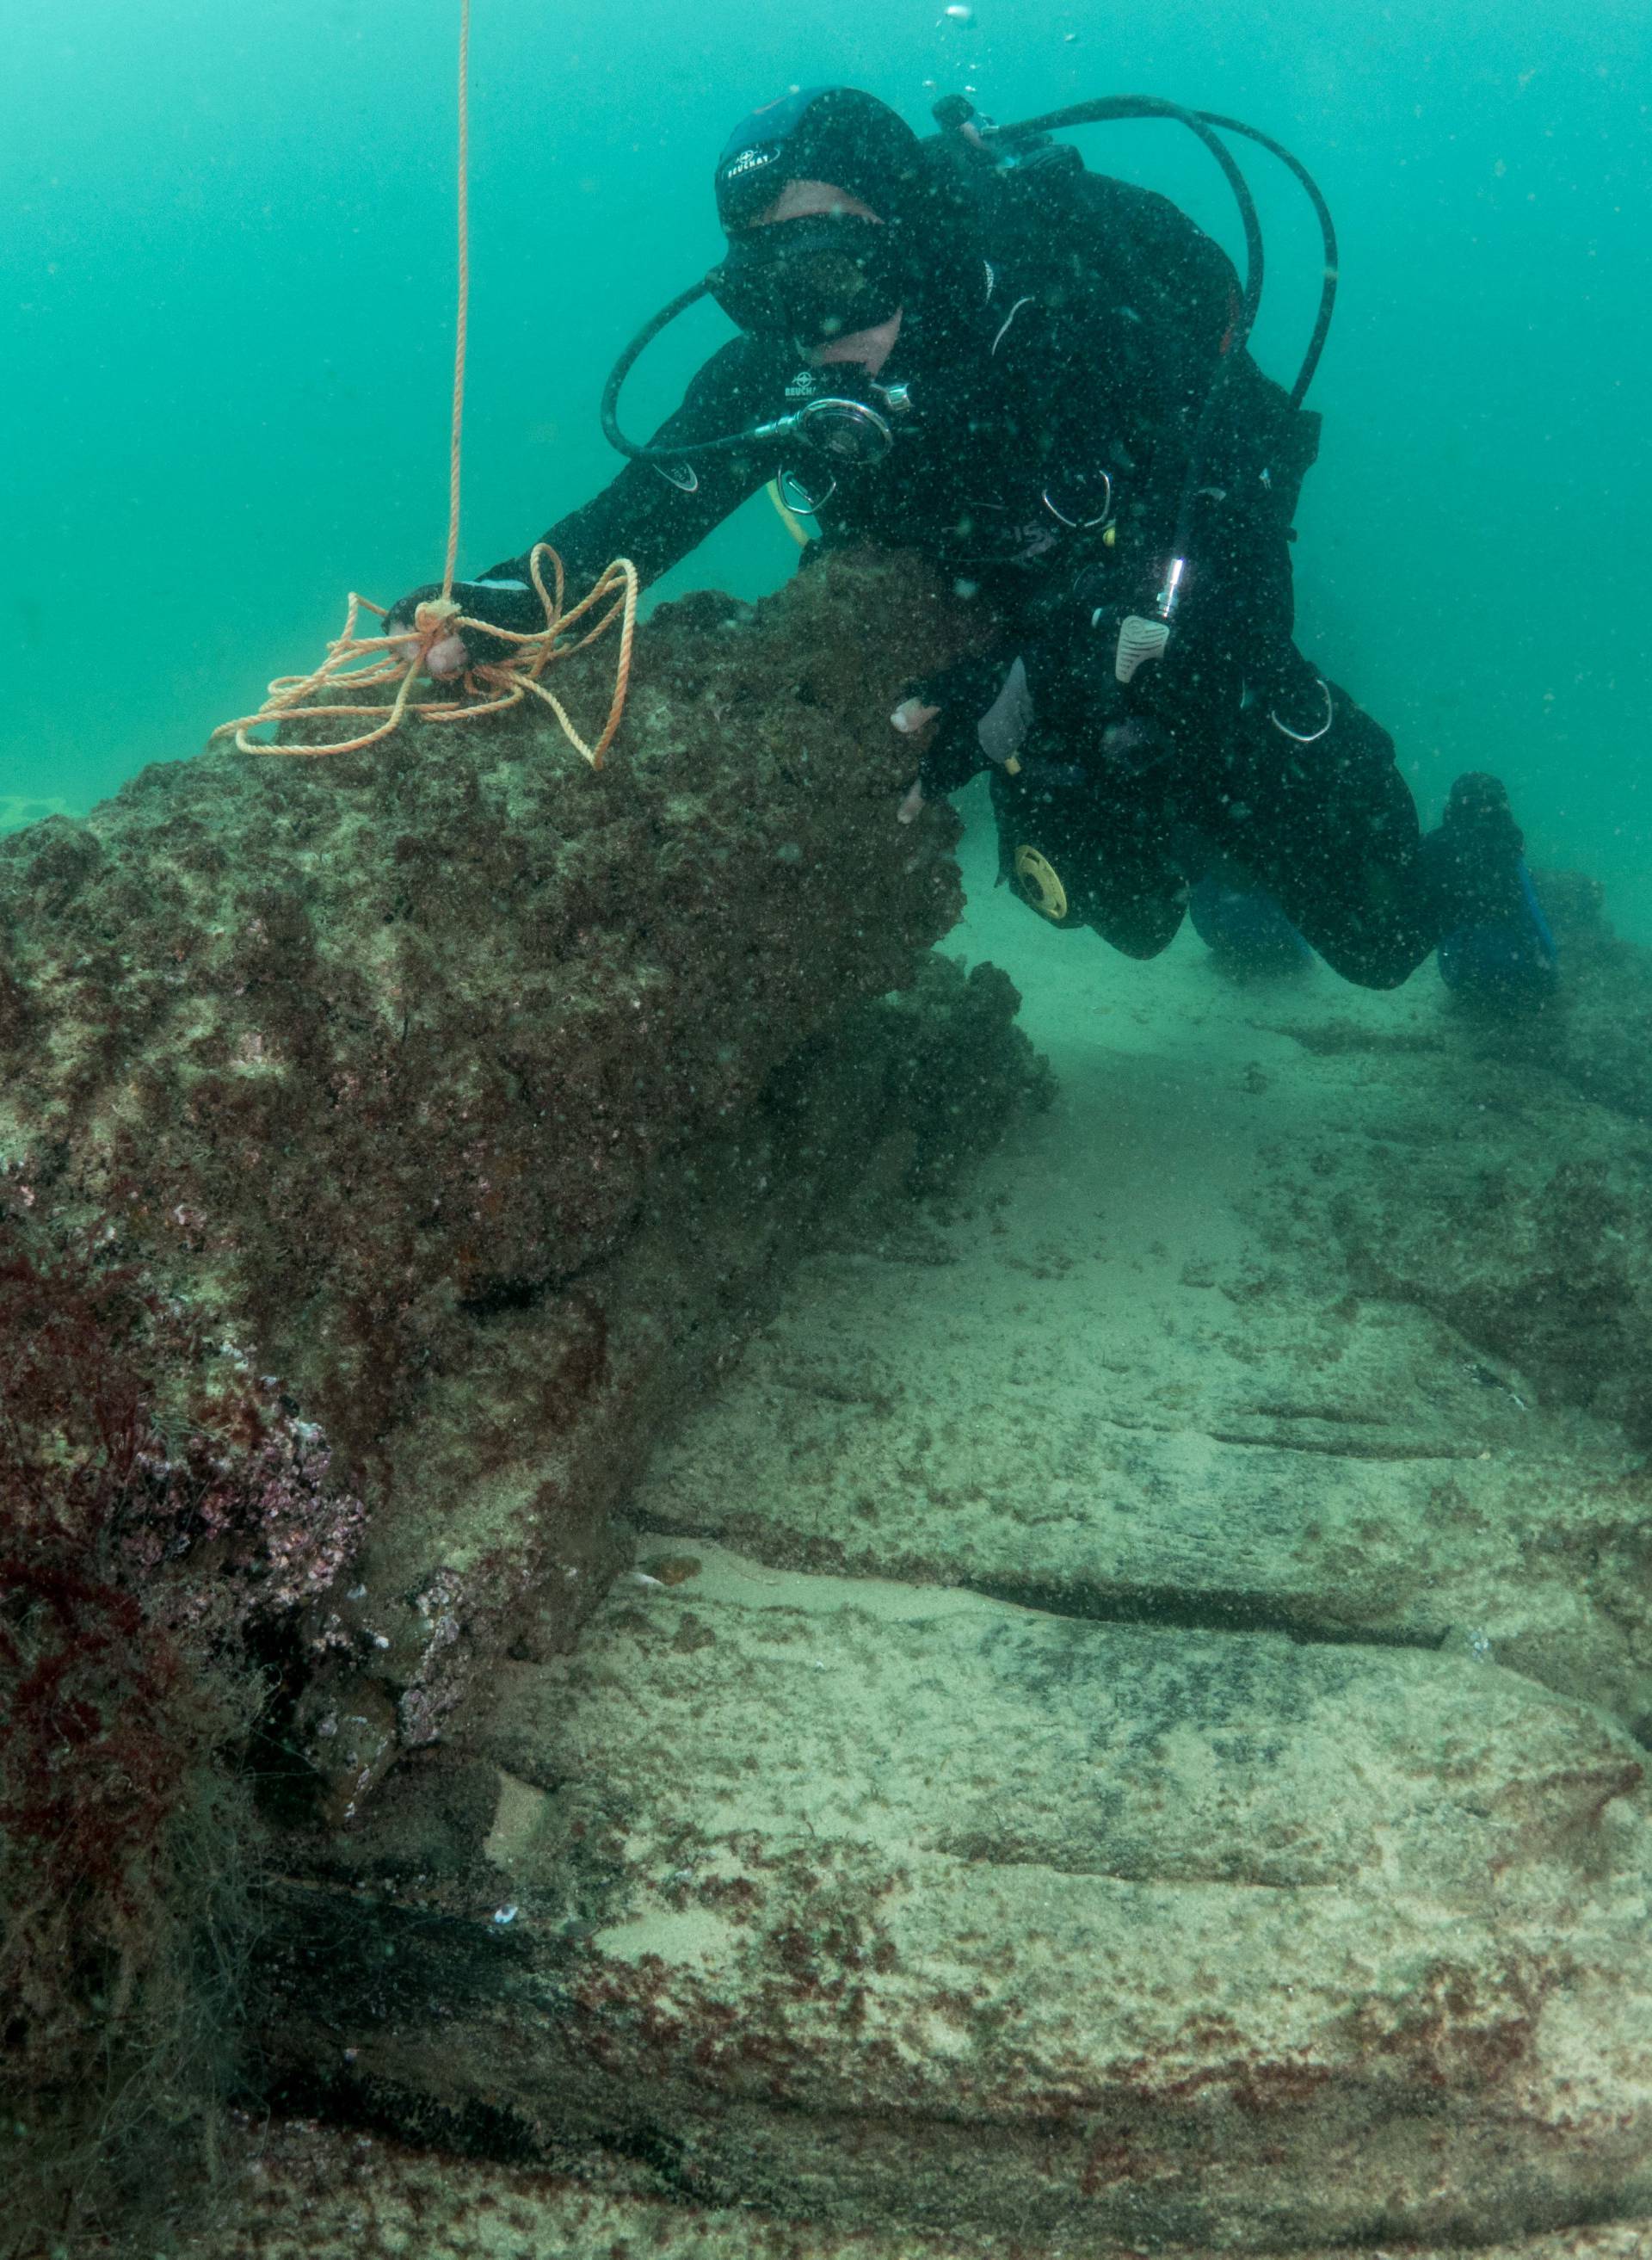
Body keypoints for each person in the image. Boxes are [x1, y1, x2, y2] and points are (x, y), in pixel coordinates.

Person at [390, 84, 1557, 1007]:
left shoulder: (1078, 318)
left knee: (1379, 938)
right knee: (1129, 912)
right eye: (764, 290)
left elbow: (1244, 587)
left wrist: (1033, 675)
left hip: (1192, 635)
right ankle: (1222, 856)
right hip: (1042, 675)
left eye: (831, 273)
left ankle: (1476, 839)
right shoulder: (797, 357)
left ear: (911, 233)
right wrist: (498, 603)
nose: (810, 332)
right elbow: (636, 518)